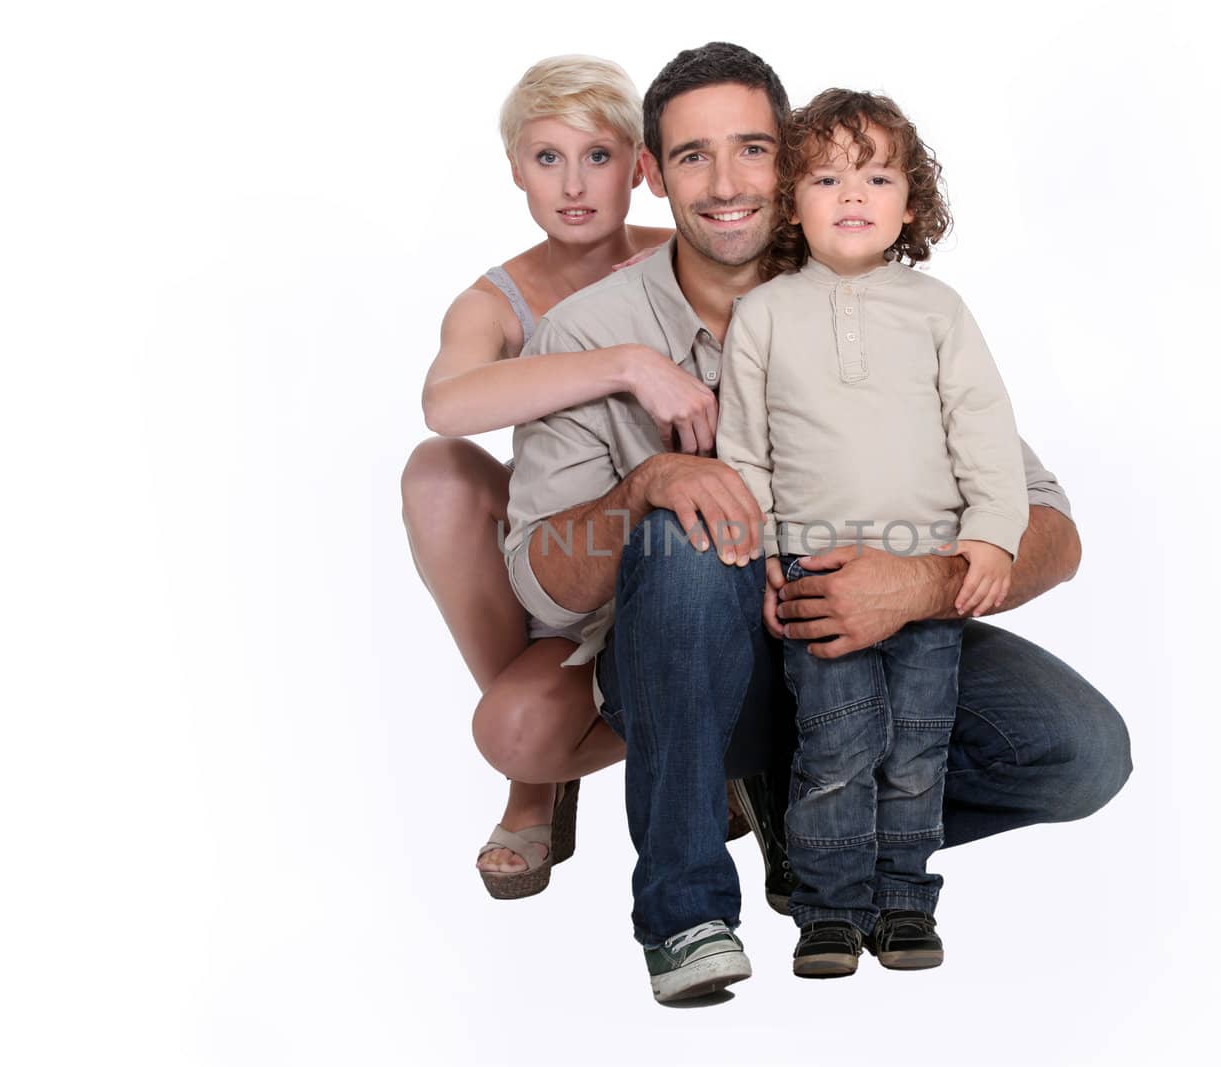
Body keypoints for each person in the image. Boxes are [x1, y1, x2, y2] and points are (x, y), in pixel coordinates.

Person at [503, 42, 1132, 1003]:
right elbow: (539, 581)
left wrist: (913, 585)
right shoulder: (588, 332)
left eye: (753, 150)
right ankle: (688, 914)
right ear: (652, 173)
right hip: (689, 678)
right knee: (686, 522)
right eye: (691, 156)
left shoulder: (890, 301)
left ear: (790, 162)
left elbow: (1047, 521)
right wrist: (647, 485)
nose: (725, 184)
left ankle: (815, 826)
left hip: (883, 637)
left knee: (1080, 751)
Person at [714, 87, 1028, 978]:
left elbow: (984, 429)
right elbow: (746, 452)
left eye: (877, 175)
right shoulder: (765, 316)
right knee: (836, 746)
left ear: (910, 203)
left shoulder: (938, 311)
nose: (853, 195)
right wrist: (768, 560)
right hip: (814, 570)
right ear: (791, 203)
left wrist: (994, 538)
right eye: (825, 177)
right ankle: (827, 909)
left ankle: (902, 901)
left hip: (929, 567)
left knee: (917, 747)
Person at [399, 55, 707, 899]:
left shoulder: (686, 256)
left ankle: (717, 744)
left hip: (680, 562)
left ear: (640, 169)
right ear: (514, 170)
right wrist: (628, 365)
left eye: (598, 156)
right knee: (437, 474)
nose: (573, 183)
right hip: (558, 574)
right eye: (547, 158)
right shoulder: (493, 301)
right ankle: (538, 778)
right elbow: (447, 403)